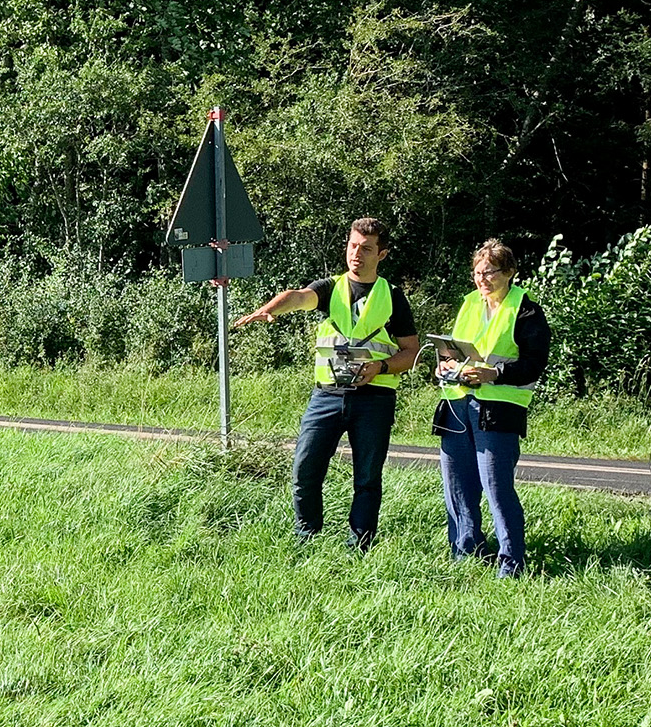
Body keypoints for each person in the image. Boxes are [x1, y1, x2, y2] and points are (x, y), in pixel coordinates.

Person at [234, 217, 422, 548]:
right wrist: (271, 310)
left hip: (374, 398)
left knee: (366, 478)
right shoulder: (330, 288)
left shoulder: (392, 297)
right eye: (352, 246)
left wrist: (380, 367)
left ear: (382, 254)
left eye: (366, 249)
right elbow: (297, 297)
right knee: (304, 471)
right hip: (327, 396)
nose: (357, 254)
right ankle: (306, 540)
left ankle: (359, 547)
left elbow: (411, 353)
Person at [433, 239, 550, 578]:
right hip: (457, 401)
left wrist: (495, 373)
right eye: (477, 273)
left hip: (499, 408)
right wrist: (445, 365)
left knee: (497, 488)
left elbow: (533, 364)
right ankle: (465, 553)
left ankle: (511, 564)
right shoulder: (469, 303)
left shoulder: (526, 310)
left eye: (490, 273)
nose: (482, 280)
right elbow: (453, 350)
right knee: (456, 485)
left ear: (510, 273)